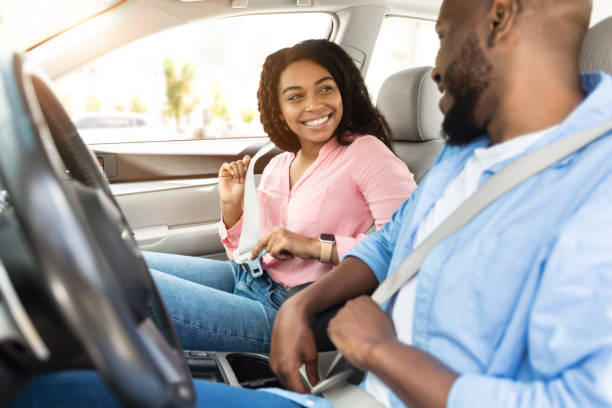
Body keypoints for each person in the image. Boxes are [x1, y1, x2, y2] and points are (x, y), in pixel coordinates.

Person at [11, 0, 612, 407]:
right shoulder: (467, 153)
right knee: (88, 334)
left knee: (56, 389)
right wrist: (303, 302)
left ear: (499, 15)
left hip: (371, 379)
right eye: (293, 95)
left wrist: (380, 350)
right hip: (325, 354)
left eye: (442, 34)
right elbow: (390, 240)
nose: (432, 69)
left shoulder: (595, 191)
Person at [141, 39, 416, 352]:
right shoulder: (279, 163)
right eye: (296, 96)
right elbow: (251, 252)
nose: (314, 105)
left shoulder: (365, 152)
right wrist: (232, 210)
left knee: (133, 291)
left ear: (343, 91)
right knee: (125, 263)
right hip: (247, 277)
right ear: (279, 108)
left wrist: (314, 247)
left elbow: (409, 245)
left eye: (325, 89)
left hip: (288, 310)